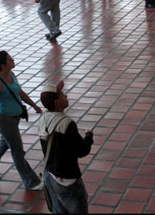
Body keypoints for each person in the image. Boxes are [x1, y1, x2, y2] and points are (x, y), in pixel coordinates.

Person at [0, 51, 44, 190]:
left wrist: (34, 105)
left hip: (14, 119)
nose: (13, 60)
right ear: (2, 65)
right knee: (17, 150)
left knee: (4, 143)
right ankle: (31, 182)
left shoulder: (11, 75)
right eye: (9, 59)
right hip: (5, 121)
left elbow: (19, 92)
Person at [38, 81, 93, 214]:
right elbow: (82, 151)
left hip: (50, 175)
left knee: (59, 210)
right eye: (62, 95)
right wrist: (88, 137)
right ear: (57, 102)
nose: (66, 96)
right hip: (68, 180)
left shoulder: (43, 119)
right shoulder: (66, 124)